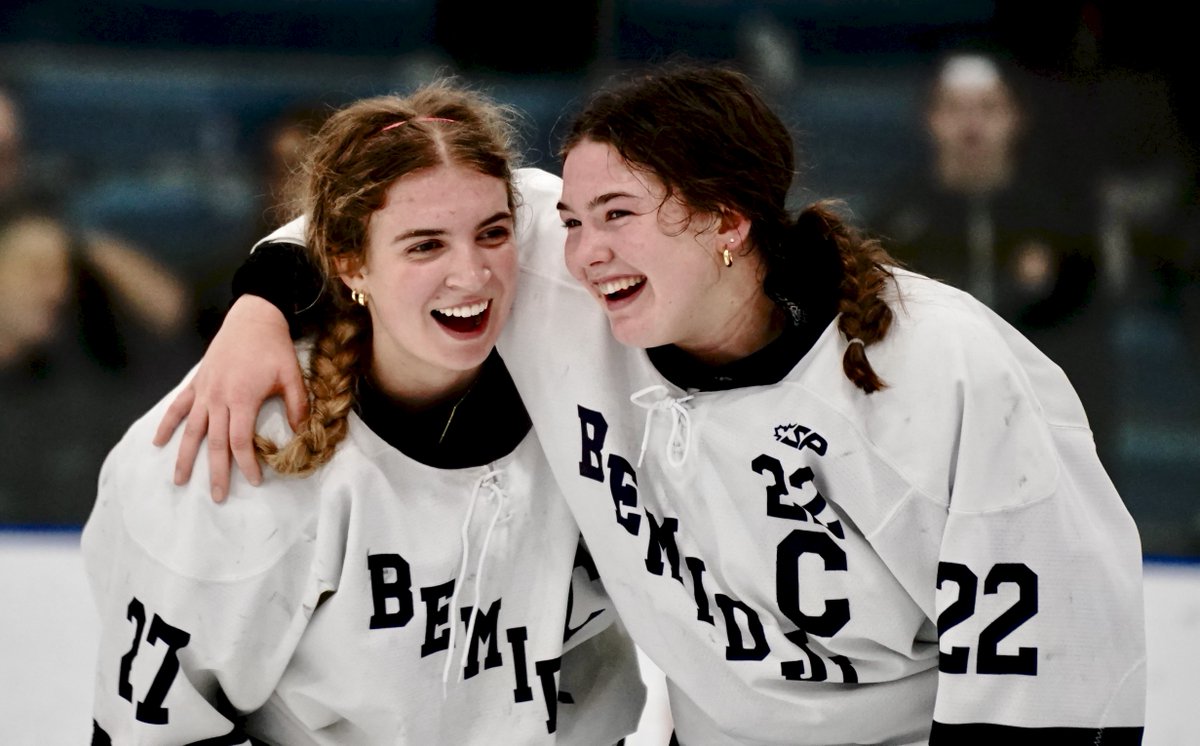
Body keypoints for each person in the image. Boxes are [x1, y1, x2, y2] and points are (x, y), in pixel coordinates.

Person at [160, 63, 1146, 744]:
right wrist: (259, 301)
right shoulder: (565, 280)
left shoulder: (948, 375)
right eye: (575, 218)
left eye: (620, 216)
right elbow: (391, 212)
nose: (581, 249)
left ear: (726, 219)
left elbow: (1055, 677)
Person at [82, 81, 645, 745]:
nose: (471, 274)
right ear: (349, 265)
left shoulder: (579, 347)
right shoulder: (231, 454)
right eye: (425, 246)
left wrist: (264, 294)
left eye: (491, 235)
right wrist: (263, 297)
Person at [871, 52, 1118, 468]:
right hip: (931, 426)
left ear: (1017, 117)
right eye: (955, 108)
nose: (972, 124)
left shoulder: (1063, 221)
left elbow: (1087, 336)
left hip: (1040, 423)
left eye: (989, 107)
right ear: (930, 119)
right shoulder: (897, 222)